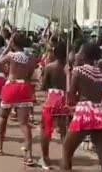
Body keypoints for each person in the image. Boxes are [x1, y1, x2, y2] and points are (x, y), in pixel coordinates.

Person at [61, 42, 102, 170]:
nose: (77, 54)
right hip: (100, 113)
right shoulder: (101, 73)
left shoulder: (78, 71)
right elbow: (95, 97)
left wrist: (68, 75)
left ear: (83, 55)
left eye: (79, 52)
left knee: (67, 151)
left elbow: (71, 97)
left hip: (84, 113)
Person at [0, 33, 37, 166]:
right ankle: (28, 155)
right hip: (24, 87)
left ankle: (0, 147)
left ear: (13, 43)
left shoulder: (11, 55)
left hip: (11, 86)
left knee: (3, 118)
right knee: (24, 123)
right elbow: (30, 75)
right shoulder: (31, 58)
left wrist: (7, 48)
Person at [38, 41, 69, 170]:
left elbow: (43, 86)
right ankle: (66, 159)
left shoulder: (50, 67)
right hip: (65, 100)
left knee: (45, 129)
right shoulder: (69, 68)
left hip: (52, 99)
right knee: (64, 131)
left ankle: (45, 158)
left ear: (55, 54)